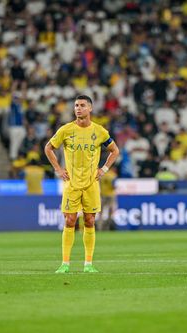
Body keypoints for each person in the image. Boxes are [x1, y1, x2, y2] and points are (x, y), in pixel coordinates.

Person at [44, 95, 120, 274]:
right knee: (69, 221)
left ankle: (88, 264)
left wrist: (104, 169)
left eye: (82, 105)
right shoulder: (66, 130)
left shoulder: (100, 131)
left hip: (91, 184)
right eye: (76, 105)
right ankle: (65, 264)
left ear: (90, 108)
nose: (78, 108)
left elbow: (115, 150)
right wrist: (58, 169)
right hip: (71, 184)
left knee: (90, 220)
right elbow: (48, 147)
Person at [98, 165, 117, 231]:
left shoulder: (102, 174)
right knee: (110, 212)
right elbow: (114, 186)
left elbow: (99, 184)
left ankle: (99, 227)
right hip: (111, 195)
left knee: (100, 212)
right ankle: (107, 227)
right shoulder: (113, 175)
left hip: (102, 195)